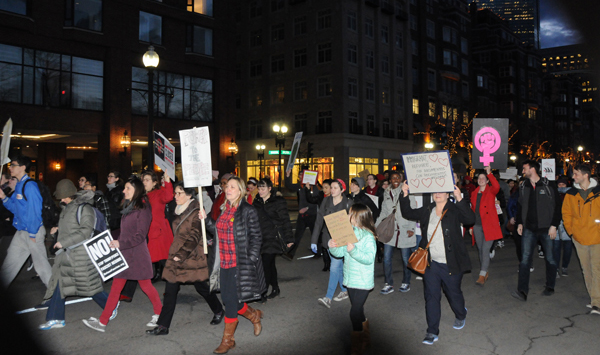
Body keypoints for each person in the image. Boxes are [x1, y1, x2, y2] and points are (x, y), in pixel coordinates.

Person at [399, 181, 475, 345]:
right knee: (431, 297)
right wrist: (404, 194)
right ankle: (432, 331)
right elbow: (407, 212)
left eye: (442, 191)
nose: (438, 194)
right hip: (431, 263)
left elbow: (470, 218)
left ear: (448, 194)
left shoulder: (454, 209)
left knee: (453, 293)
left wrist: (460, 198)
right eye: (435, 191)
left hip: (451, 263)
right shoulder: (428, 209)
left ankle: (461, 313)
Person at [82, 177, 162, 332]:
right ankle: (103, 322)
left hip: (137, 255)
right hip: (125, 254)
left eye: (128, 188)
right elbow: (125, 232)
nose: (124, 191)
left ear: (136, 190)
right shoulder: (130, 207)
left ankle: (160, 313)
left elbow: (140, 235)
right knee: (116, 288)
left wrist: (120, 243)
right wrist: (112, 240)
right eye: (124, 188)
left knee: (146, 286)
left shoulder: (143, 209)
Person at [199, 176, 266, 354]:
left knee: (229, 302)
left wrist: (250, 259)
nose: (228, 190)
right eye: (227, 187)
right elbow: (218, 231)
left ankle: (228, 340)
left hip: (239, 262)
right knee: (231, 301)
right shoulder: (224, 209)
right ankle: (253, 315)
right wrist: (206, 220)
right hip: (224, 262)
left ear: (241, 191)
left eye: (233, 187)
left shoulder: (247, 210)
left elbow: (257, 237)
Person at [146, 183, 224, 336]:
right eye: (175, 193)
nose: (176, 196)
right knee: (170, 291)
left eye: (180, 193)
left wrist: (180, 255)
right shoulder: (176, 210)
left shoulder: (195, 211)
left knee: (201, 287)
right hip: (176, 256)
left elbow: (195, 236)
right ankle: (163, 326)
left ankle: (219, 310)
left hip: (191, 256)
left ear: (189, 195)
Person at [38, 180, 117, 330]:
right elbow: (70, 227)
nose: (61, 200)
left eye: (63, 196)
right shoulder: (68, 207)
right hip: (68, 254)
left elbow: (85, 231)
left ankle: (110, 305)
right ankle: (56, 318)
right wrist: (58, 230)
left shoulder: (84, 208)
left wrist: (63, 242)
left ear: (70, 195)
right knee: (60, 285)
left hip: (80, 255)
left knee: (89, 287)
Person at [328, 204, 376, 355]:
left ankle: (356, 345)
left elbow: (369, 259)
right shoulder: (348, 232)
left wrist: (354, 251)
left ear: (358, 217)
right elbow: (340, 252)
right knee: (358, 310)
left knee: (354, 312)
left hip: (363, 281)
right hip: (350, 279)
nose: (347, 217)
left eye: (350, 214)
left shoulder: (368, 237)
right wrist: (332, 245)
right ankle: (366, 338)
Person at [511, 160, 561, 302]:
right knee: (525, 259)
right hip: (529, 229)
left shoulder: (548, 185)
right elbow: (520, 206)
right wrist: (520, 222)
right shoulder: (523, 186)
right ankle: (522, 291)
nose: (522, 171)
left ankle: (550, 286)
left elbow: (558, 206)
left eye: (524, 168)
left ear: (533, 169)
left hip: (546, 228)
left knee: (550, 258)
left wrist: (554, 225)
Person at [0, 155, 52, 289]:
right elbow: (16, 208)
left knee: (42, 268)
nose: (10, 168)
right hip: (21, 231)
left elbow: (34, 212)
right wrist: (4, 197)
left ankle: (55, 295)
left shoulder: (30, 186)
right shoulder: (19, 185)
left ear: (23, 168)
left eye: (13, 165)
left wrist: (33, 234)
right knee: (9, 265)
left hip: (31, 232)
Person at [562, 165, 600, 315]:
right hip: (579, 238)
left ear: (585, 175)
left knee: (596, 269)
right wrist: (572, 233)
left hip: (597, 237)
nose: (573, 177)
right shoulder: (571, 194)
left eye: (576, 174)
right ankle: (594, 299)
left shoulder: (598, 192)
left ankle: (596, 302)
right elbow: (566, 214)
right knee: (586, 269)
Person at [311, 179, 354, 308]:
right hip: (328, 239)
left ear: (342, 190)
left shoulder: (348, 203)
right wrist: (314, 240)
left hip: (342, 240)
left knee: (334, 267)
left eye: (335, 188)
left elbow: (354, 222)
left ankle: (328, 297)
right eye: (331, 187)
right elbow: (319, 221)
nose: (332, 190)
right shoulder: (326, 201)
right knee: (338, 267)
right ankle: (345, 290)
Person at [375, 171, 417, 294]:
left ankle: (406, 282)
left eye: (398, 178)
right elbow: (383, 212)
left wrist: (411, 228)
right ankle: (388, 283)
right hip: (390, 230)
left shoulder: (407, 191)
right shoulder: (386, 192)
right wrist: (376, 227)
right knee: (387, 258)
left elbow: (413, 210)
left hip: (404, 229)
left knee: (405, 259)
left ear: (401, 179)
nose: (396, 180)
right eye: (393, 178)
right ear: (390, 180)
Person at [253, 178, 294, 300]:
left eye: (263, 188)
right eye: (259, 188)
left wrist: (289, 238)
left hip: (273, 237)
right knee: (270, 265)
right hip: (261, 238)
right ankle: (275, 288)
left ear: (270, 189)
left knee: (265, 263)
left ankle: (263, 292)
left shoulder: (278, 201)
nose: (260, 191)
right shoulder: (257, 202)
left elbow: (285, 220)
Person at [469, 166, 502, 286]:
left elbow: (497, 186)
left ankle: (482, 274)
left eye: (484, 178)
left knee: (485, 249)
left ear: (487, 180)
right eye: (479, 178)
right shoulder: (473, 193)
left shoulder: (490, 191)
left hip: (489, 225)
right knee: (480, 249)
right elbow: (472, 211)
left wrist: (489, 173)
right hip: (477, 225)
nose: (481, 180)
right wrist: (471, 227)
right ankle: (485, 270)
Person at [142, 170, 174, 282]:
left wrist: (167, 180)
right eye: (143, 180)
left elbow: (169, 196)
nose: (144, 182)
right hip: (147, 229)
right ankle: (157, 273)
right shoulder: (142, 195)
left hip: (158, 229)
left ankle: (172, 278)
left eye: (147, 180)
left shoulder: (159, 193)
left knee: (162, 255)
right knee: (152, 255)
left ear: (154, 183)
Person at [284, 169, 319, 260]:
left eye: (302, 175)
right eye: (299, 176)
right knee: (297, 235)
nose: (300, 177)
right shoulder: (300, 186)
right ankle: (291, 253)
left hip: (312, 215)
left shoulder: (313, 187)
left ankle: (319, 252)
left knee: (315, 234)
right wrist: (288, 176)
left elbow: (316, 201)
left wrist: (307, 208)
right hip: (302, 215)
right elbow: (289, 185)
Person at [553, 177, 573, 277]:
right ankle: (556, 268)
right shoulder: (554, 194)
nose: (561, 186)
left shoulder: (571, 194)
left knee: (568, 248)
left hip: (568, 224)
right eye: (559, 184)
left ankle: (565, 266)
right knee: (555, 247)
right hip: (556, 224)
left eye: (563, 184)